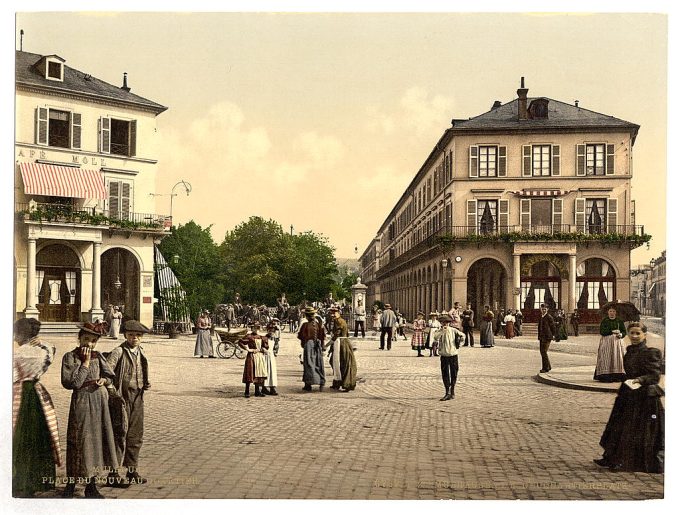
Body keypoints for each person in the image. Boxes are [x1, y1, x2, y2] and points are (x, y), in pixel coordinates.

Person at [594, 322, 664, 472]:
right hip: (628, 394)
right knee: (618, 427)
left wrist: (640, 379)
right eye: (631, 333)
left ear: (645, 335)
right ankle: (612, 457)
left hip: (644, 398)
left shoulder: (651, 353)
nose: (634, 336)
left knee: (633, 430)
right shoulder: (629, 351)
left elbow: (654, 376)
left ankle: (625, 461)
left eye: (638, 333)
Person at [61, 323, 118, 498]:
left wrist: (104, 380)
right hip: (82, 400)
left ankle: (91, 485)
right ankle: (71, 483)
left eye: (93, 341)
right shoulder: (70, 357)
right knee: (79, 439)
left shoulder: (98, 356)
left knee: (97, 441)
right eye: (86, 339)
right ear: (79, 339)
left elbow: (109, 375)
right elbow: (73, 383)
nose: (89, 344)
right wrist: (85, 363)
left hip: (99, 400)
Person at [13, 318, 62, 498]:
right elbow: (52, 350)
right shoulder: (43, 351)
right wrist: (41, 343)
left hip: (18, 394)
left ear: (19, 334)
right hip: (36, 394)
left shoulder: (17, 354)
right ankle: (39, 480)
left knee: (19, 437)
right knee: (38, 436)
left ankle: (20, 482)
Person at [105, 320, 151, 486]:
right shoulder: (118, 352)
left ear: (142, 338)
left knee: (135, 435)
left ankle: (132, 470)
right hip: (121, 398)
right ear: (125, 335)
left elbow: (143, 370)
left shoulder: (141, 352)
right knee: (119, 433)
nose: (135, 338)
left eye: (138, 335)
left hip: (138, 396)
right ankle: (113, 473)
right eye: (131, 335)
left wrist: (146, 382)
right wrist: (113, 392)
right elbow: (106, 374)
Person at [434, 315, 465, 401]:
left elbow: (463, 336)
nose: (445, 324)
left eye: (447, 323)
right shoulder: (439, 331)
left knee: (454, 373)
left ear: (449, 323)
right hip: (444, 355)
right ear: (441, 323)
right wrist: (442, 332)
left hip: (453, 354)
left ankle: (452, 391)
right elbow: (435, 337)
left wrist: (459, 343)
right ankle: (447, 392)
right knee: (445, 374)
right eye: (443, 323)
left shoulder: (453, 330)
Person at [594, 307, 627, 382]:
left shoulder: (619, 321)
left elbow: (624, 331)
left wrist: (621, 334)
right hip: (607, 342)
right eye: (610, 311)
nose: (612, 313)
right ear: (608, 312)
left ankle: (617, 376)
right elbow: (602, 331)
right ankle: (606, 376)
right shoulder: (605, 321)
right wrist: (612, 331)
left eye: (613, 311)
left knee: (617, 357)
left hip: (617, 343)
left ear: (616, 312)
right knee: (606, 357)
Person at [327, 307, 357, 391]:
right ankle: (337, 382)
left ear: (339, 313)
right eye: (331, 313)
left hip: (340, 343)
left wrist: (327, 345)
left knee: (340, 363)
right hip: (343, 342)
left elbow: (337, 334)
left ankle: (345, 383)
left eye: (334, 313)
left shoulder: (338, 321)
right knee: (336, 362)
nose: (332, 315)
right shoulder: (341, 320)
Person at [298, 306, 326, 391]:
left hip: (309, 345)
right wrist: (321, 345)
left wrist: (304, 342)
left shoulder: (305, 325)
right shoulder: (318, 324)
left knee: (308, 364)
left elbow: (300, 336)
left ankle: (308, 384)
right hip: (317, 345)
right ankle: (321, 381)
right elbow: (322, 336)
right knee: (318, 363)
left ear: (306, 316)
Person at [239, 325, 268, 397]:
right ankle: (247, 391)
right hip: (251, 356)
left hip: (259, 356)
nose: (256, 329)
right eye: (255, 328)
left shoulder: (261, 337)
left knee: (259, 373)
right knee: (250, 372)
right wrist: (248, 349)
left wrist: (263, 349)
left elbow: (265, 347)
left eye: (258, 328)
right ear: (252, 329)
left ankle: (257, 391)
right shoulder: (249, 337)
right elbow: (240, 342)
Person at [538, 304, 557, 373]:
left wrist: (554, 335)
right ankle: (548, 366)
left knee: (544, 352)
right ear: (540, 309)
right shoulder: (541, 317)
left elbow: (553, 327)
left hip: (547, 337)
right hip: (542, 337)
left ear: (547, 309)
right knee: (542, 352)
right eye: (542, 309)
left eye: (545, 309)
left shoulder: (549, 317)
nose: (543, 310)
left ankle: (545, 368)